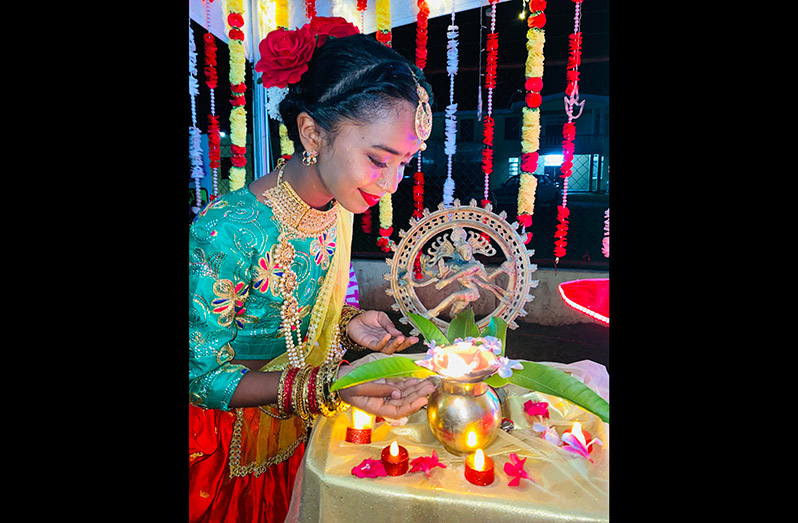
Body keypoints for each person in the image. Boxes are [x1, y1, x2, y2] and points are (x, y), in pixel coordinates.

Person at [189, 18, 436, 523]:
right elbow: (200, 376)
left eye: (405, 163)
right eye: (378, 158)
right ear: (312, 132)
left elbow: (300, 312)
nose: (391, 184)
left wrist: (349, 324)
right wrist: (327, 385)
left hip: (297, 427)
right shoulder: (227, 231)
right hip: (220, 448)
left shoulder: (337, 210)